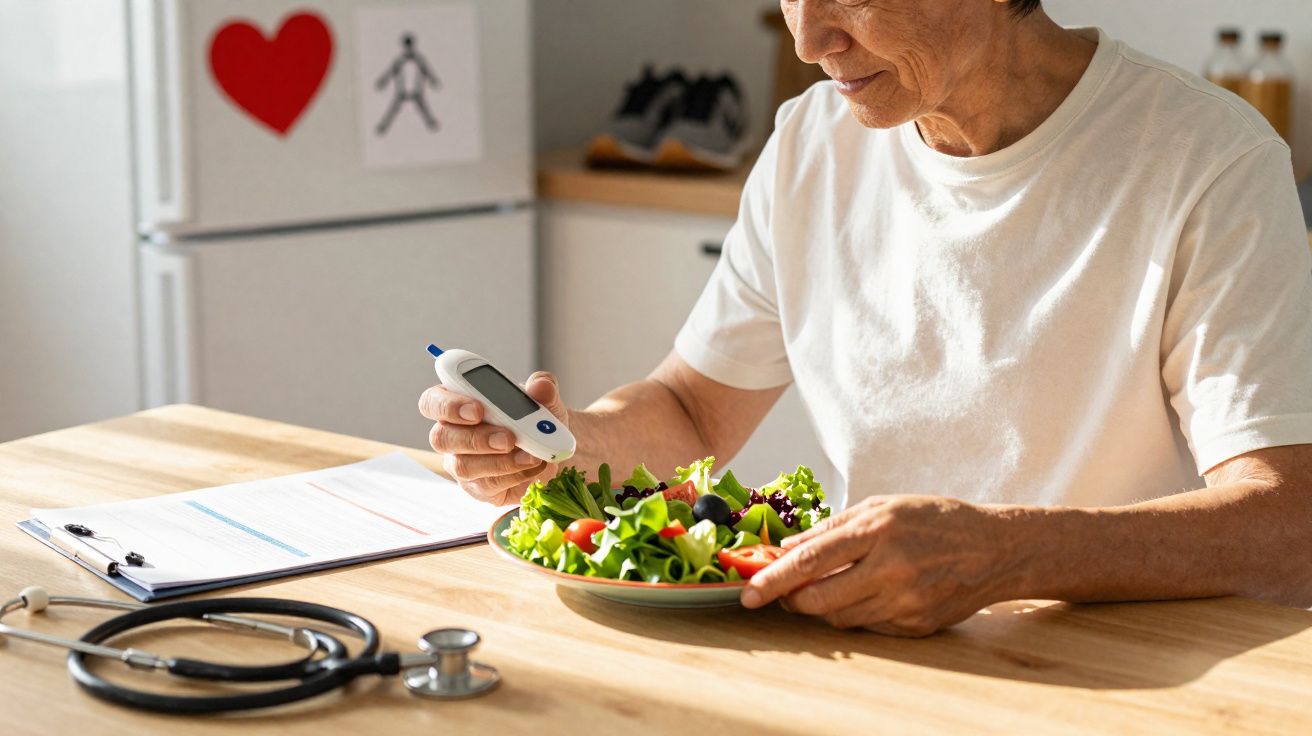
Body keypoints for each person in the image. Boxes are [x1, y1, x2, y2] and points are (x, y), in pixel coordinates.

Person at [420, 0, 1312, 636]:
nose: (809, 38)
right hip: (877, 659)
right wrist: (565, 446)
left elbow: (1288, 527)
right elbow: (692, 412)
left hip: (1133, 678)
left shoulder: (1208, 160)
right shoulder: (813, 142)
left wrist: (1008, 553)